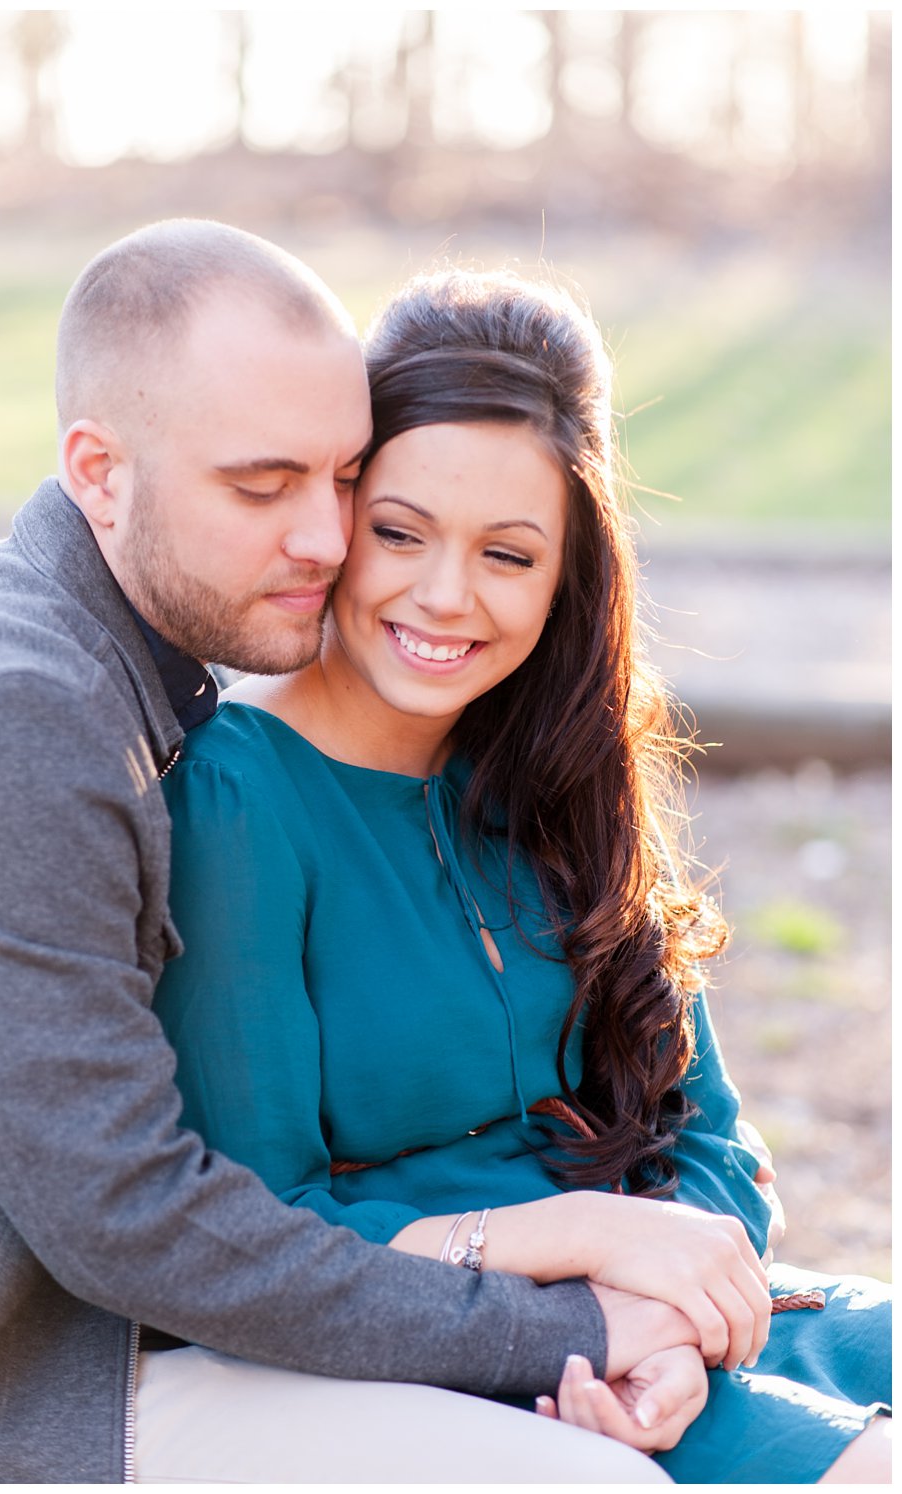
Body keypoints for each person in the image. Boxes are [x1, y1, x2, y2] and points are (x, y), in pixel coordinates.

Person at [0, 219, 705, 1485]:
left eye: (342, 479)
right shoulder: (10, 715)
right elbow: (139, 1222)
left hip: (206, 1326)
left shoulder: (140, 665)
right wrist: (579, 1320)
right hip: (55, 1391)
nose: (330, 541)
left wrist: (673, 1284)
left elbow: (689, 1104)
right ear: (98, 471)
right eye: (261, 484)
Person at [152, 266, 892, 1483]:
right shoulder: (239, 798)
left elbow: (701, 1122)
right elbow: (265, 1231)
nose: (443, 597)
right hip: (456, 1354)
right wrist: (586, 1247)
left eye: (508, 553)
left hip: (673, 1317)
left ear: (567, 577)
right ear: (341, 516)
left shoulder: (558, 761)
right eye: (399, 533)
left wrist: (678, 1315)